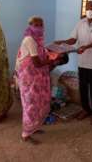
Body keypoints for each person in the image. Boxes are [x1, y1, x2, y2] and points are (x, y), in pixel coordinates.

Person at [16, 16, 68, 144]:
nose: (38, 27)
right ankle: (26, 134)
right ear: (30, 26)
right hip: (29, 77)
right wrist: (53, 59)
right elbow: (37, 63)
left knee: (39, 102)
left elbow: (43, 55)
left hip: (37, 76)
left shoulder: (39, 39)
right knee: (30, 104)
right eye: (35, 25)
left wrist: (54, 54)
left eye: (41, 25)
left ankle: (35, 127)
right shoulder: (29, 40)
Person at [55, 1, 92, 126]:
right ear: (85, 9)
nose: (90, 10)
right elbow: (73, 39)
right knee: (83, 89)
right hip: (82, 63)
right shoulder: (80, 23)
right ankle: (85, 109)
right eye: (88, 8)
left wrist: (86, 47)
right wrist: (62, 42)